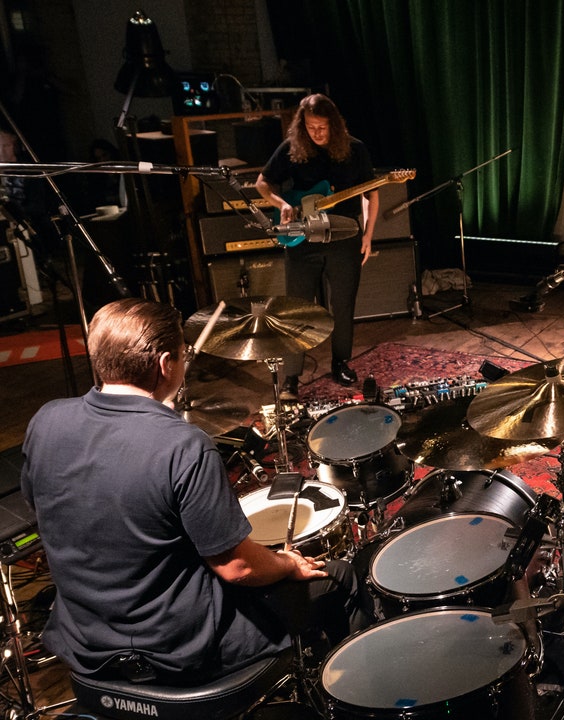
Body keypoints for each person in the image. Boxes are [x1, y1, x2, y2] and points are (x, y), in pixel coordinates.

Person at [21, 298, 366, 684]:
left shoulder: (46, 421)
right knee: (341, 577)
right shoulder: (183, 446)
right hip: (175, 651)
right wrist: (286, 562)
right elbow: (239, 568)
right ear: (166, 364)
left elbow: (50, 508)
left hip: (85, 644)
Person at [256, 93, 379, 398]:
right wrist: (282, 204)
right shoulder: (292, 148)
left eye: (322, 127)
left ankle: (340, 362)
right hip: (303, 238)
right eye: (311, 127)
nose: (317, 133)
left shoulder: (355, 149)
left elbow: (372, 194)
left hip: (345, 235)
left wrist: (368, 236)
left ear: (334, 125)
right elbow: (262, 183)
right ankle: (291, 377)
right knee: (297, 308)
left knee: (344, 305)